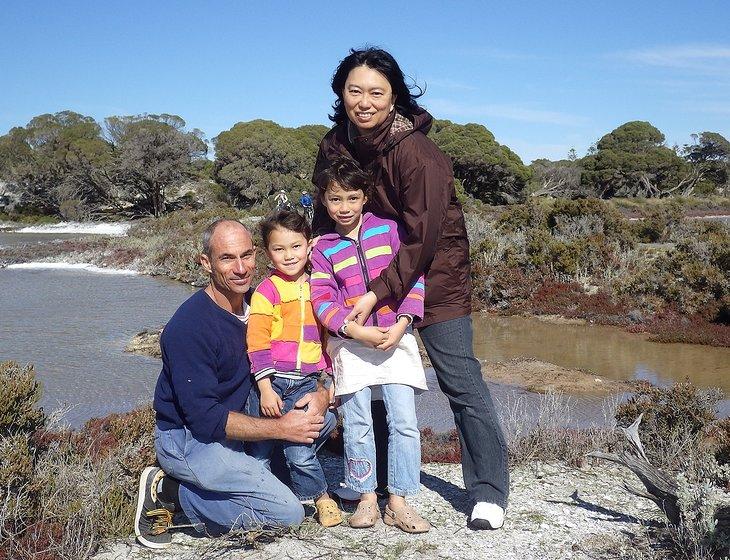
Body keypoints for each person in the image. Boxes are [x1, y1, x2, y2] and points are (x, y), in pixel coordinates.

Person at [312, 47, 510, 530]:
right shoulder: (334, 145)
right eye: (354, 90)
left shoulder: (418, 153)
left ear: (394, 94)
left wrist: (377, 296)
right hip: (358, 279)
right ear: (341, 93)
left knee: (459, 379)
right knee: (367, 379)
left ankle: (488, 492)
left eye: (376, 92)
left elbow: (422, 239)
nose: (364, 101)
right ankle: (382, 484)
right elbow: (325, 214)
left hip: (435, 276)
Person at [134, 219, 335, 549]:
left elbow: (306, 358)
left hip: (240, 423)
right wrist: (283, 428)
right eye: (227, 258)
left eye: (246, 255)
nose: (241, 269)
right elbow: (204, 419)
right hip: (189, 438)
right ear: (206, 263)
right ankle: (171, 492)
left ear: (257, 255)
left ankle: (249, 477)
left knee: (321, 419)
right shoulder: (189, 327)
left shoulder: (261, 304)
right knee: (287, 513)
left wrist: (323, 394)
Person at [310, 157, 430, 533]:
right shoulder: (322, 248)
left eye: (352, 198)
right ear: (324, 202)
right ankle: (365, 498)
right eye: (335, 200)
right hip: (351, 343)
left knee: (405, 423)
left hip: (396, 337)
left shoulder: (390, 230)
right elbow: (322, 299)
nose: (343, 207)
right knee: (358, 423)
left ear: (365, 198)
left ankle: (399, 500)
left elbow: (412, 278)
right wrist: (353, 331)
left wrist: (404, 322)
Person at [246, 210, 343, 528]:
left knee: (299, 450)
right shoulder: (267, 290)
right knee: (258, 452)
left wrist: (327, 385)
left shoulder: (320, 287)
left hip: (307, 382)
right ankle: (258, 501)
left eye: (296, 246)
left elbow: (328, 341)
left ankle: (321, 497)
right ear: (267, 252)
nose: (289, 256)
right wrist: (264, 389)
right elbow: (257, 342)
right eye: (279, 249)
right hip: (272, 383)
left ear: (309, 245)